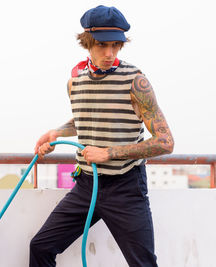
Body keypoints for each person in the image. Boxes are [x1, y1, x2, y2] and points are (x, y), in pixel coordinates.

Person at [29, 5, 174, 267]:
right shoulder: (75, 82)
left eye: (116, 46)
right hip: (86, 185)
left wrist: (109, 153)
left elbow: (165, 142)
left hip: (126, 187)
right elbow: (85, 118)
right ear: (87, 43)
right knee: (40, 247)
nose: (109, 53)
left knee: (143, 263)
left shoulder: (135, 81)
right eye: (102, 45)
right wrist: (55, 133)